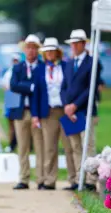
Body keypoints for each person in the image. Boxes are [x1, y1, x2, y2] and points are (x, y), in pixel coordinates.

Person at [61, 29, 102, 191]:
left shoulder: (93, 62)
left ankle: (90, 181)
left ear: (84, 44)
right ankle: (79, 179)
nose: (74, 46)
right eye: (73, 43)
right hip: (71, 112)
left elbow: (90, 88)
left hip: (85, 110)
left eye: (77, 43)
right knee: (75, 146)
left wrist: (74, 105)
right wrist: (66, 105)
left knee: (88, 145)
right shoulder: (69, 63)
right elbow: (64, 87)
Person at [33, 37, 75, 190]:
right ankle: (49, 180)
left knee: (69, 146)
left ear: (58, 52)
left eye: (52, 50)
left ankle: (74, 179)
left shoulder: (66, 66)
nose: (50, 53)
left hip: (65, 110)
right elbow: (36, 93)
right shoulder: (40, 69)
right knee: (49, 147)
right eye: (47, 51)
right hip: (47, 112)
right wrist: (35, 114)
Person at [9, 34, 45, 190]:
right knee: (22, 146)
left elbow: (42, 88)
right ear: (24, 50)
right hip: (21, 112)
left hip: (37, 112)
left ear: (37, 50)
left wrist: (25, 85)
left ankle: (41, 178)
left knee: (39, 145)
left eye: (33, 48)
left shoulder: (43, 67)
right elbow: (13, 85)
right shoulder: (18, 67)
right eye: (28, 48)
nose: (30, 51)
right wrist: (30, 86)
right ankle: (24, 178)